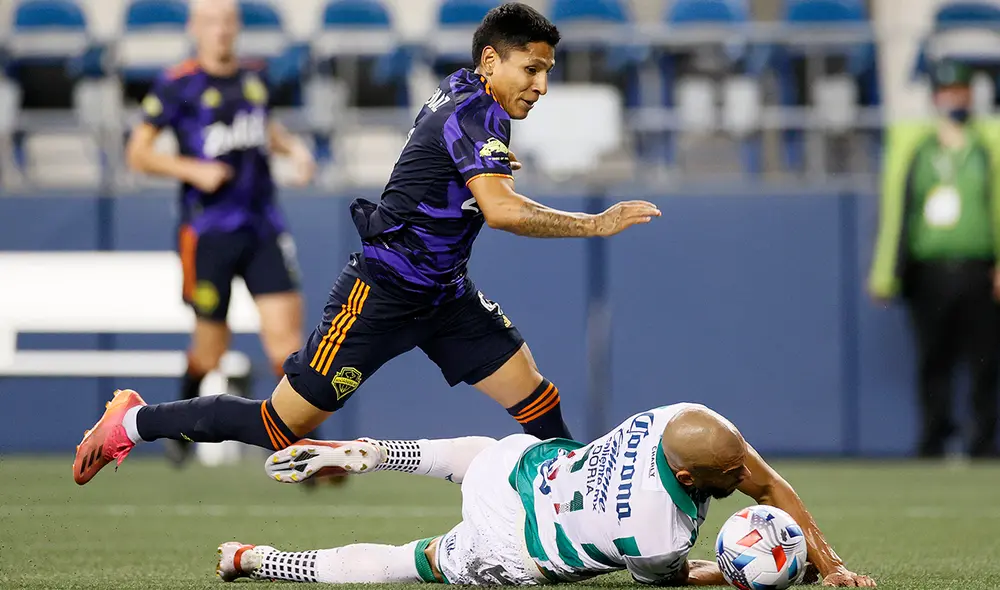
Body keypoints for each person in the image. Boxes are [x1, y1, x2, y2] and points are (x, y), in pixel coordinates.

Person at [73, 2, 661, 485]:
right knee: (280, 427)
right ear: (490, 61)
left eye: (548, 71)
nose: (542, 85)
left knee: (534, 394)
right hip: (379, 293)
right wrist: (594, 223)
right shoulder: (474, 114)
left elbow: (458, 161)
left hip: (444, 296)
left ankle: (584, 503)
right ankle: (135, 421)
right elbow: (502, 212)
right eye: (532, 70)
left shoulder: (475, 95)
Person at [214, 403, 875, 587]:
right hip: (514, 547)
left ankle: (380, 453)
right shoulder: (657, 531)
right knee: (405, 561)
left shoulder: (676, 421)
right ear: (698, 478)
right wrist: (745, 575)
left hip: (521, 470)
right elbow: (680, 578)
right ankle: (256, 560)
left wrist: (829, 561)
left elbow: (766, 479)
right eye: (734, 474)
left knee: (470, 455)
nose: (747, 477)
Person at [122, 0, 318, 467]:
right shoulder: (177, 84)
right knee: (210, 349)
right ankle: (178, 428)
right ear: (195, 27)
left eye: (228, 22)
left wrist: (293, 148)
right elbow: (138, 153)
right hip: (208, 232)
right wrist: (189, 167)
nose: (221, 31)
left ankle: (307, 449)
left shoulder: (255, 75)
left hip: (263, 225)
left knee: (285, 342)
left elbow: (261, 126)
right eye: (211, 22)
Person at [869, 58, 1000, 458]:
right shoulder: (919, 147)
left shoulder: (984, 145)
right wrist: (886, 272)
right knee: (933, 361)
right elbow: (896, 211)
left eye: (960, 91)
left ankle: (982, 443)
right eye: (946, 92)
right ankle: (934, 439)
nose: (953, 99)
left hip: (978, 267)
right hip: (929, 271)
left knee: (985, 361)